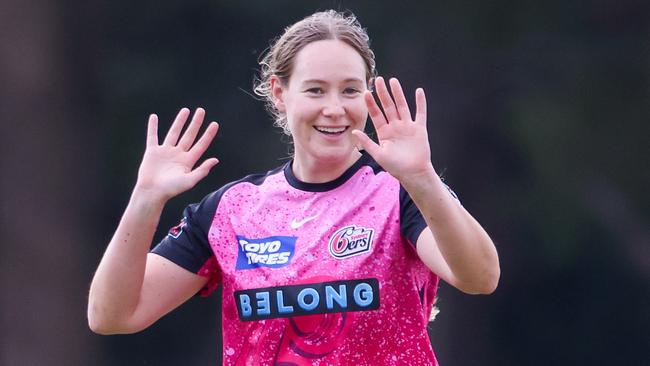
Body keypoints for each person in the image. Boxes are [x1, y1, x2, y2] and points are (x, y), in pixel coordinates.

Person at [88, 9, 500, 365]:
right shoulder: (232, 210)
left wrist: (423, 177)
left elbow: (480, 276)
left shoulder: (401, 193)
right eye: (316, 90)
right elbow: (111, 315)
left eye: (350, 90)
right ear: (279, 93)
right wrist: (145, 200)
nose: (335, 109)